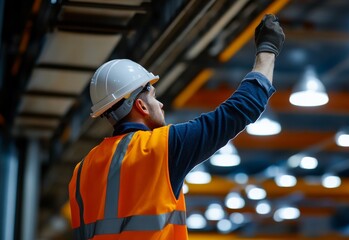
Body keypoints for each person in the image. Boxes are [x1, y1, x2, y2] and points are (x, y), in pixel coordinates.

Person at [68, 14, 285, 240]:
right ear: (141, 105)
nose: (160, 103)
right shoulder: (160, 147)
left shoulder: (82, 171)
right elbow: (239, 110)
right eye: (153, 96)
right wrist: (267, 50)